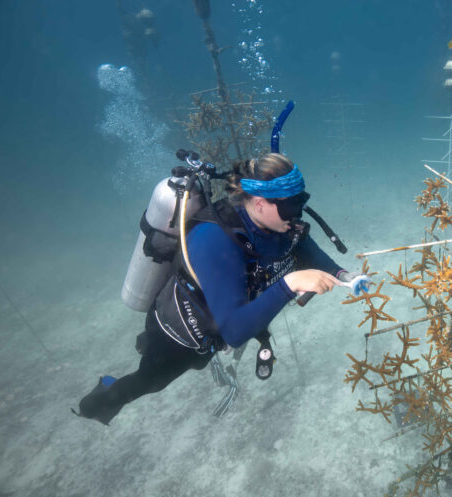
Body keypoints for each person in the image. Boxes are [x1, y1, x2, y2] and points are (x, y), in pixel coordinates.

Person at [74, 153, 365, 425]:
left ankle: (145, 347)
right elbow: (235, 332)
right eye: (291, 205)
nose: (298, 213)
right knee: (153, 380)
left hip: (223, 322)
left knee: (199, 363)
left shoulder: (281, 224)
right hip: (181, 332)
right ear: (260, 202)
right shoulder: (215, 239)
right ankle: (98, 402)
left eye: (301, 201)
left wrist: (342, 274)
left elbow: (303, 247)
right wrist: (292, 283)